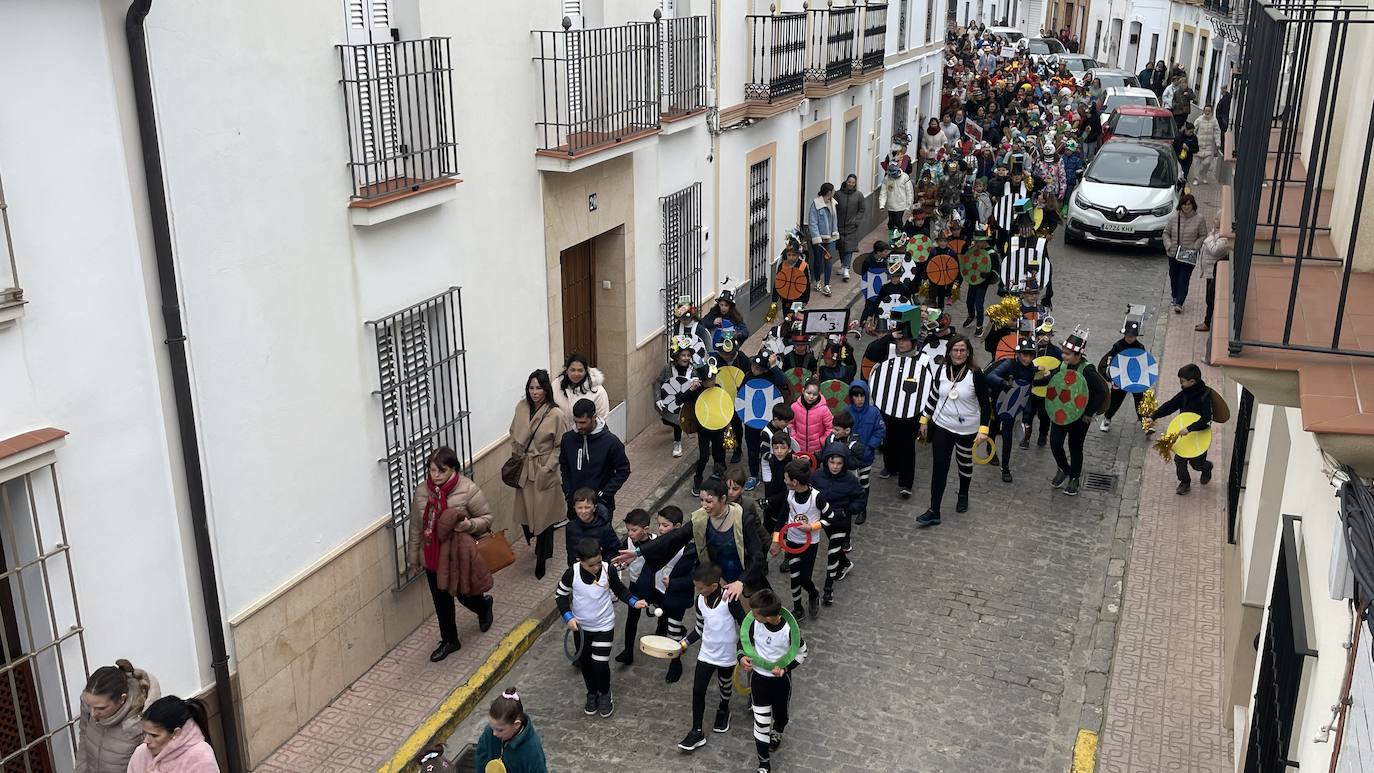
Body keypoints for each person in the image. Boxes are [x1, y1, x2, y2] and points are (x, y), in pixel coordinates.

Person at [406, 447, 495, 662]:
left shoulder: (467, 489)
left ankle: (483, 606)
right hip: (433, 556)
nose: (435, 475)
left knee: (464, 594)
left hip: (458, 555)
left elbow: (487, 517)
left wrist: (469, 525)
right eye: (431, 470)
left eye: (440, 471)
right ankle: (449, 640)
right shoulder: (422, 492)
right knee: (441, 601)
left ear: (453, 469)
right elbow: (416, 527)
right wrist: (414, 556)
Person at [624, 479, 770, 605]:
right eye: (701, 500)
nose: (704, 505)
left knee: (753, 619)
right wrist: (639, 552)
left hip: (745, 580)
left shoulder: (743, 518)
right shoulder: (701, 518)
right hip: (718, 581)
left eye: (709, 501)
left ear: (723, 499)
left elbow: (756, 554)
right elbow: (675, 537)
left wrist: (741, 582)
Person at [557, 537, 649, 718]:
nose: (597, 567)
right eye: (591, 565)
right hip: (581, 630)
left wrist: (634, 601)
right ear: (580, 561)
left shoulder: (609, 570)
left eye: (599, 562)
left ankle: (605, 693)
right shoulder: (571, 573)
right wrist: (568, 617)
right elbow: (560, 596)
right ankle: (592, 693)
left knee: (599, 665)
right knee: (586, 664)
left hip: (604, 626)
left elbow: (620, 590)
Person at [917, 336, 992, 526]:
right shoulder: (941, 370)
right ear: (949, 352)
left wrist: (983, 430)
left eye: (962, 350)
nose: (958, 354)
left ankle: (964, 493)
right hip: (943, 427)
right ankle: (934, 510)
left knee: (964, 465)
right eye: (955, 350)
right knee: (939, 468)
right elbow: (933, 396)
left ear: (968, 353)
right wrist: (924, 419)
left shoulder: (976, 374)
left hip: (967, 430)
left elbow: (985, 404)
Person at [674, 563, 748, 752]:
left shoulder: (729, 599)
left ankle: (724, 709)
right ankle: (696, 730)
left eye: (700, 587)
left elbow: (745, 625)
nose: (697, 590)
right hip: (706, 653)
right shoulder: (700, 601)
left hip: (727, 655)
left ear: (713, 586)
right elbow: (699, 628)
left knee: (725, 685)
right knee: (698, 690)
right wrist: (684, 644)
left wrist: (743, 650)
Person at [741, 588, 808, 773]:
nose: (751, 615)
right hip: (758, 680)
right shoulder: (754, 624)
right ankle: (764, 764)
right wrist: (742, 657)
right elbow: (743, 642)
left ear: (768, 616)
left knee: (781, 717)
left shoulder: (789, 630)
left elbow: (803, 652)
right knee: (761, 723)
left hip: (780, 682)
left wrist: (785, 668)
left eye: (755, 613)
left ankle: (778, 731)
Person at [509, 370, 566, 580]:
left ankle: (542, 558)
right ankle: (535, 541)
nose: (535, 392)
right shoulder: (521, 407)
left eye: (539, 388)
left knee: (544, 517)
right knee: (525, 515)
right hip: (525, 467)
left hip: (543, 469)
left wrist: (547, 467)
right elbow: (513, 432)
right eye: (532, 387)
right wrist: (516, 453)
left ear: (546, 389)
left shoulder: (556, 414)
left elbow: (561, 445)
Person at [1043, 328, 1109, 496]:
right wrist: (1037, 380)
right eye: (1063, 353)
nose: (1063, 356)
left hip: (1079, 418)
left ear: (1078, 355)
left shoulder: (1087, 370)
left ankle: (1074, 477)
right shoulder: (1063, 365)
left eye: (1067, 353)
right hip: (1060, 413)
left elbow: (1101, 392)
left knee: (1075, 447)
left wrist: (1088, 413)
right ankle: (1063, 468)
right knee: (1055, 443)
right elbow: (1054, 380)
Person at [1144, 363, 1216, 495]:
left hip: (1199, 435)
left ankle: (1207, 467)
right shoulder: (1184, 393)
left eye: (1182, 381)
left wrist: (1190, 428)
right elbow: (1171, 405)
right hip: (1183, 434)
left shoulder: (1205, 396)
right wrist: (1153, 417)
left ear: (1192, 381)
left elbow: (1206, 418)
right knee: (1180, 460)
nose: (1180, 384)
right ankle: (1185, 482)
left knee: (1196, 464)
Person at [77, 660, 160, 773]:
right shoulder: (90, 706)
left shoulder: (139, 725)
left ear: (122, 699)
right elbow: (83, 742)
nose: (93, 713)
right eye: (89, 705)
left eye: (101, 708)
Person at [559, 398, 632, 520]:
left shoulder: (611, 442)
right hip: (575, 506)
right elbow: (564, 466)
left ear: (593, 417)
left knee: (601, 539)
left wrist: (603, 494)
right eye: (576, 422)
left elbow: (623, 470)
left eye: (582, 422)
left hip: (601, 506)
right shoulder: (567, 439)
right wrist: (568, 492)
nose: (578, 426)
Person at [776, 459, 830, 620]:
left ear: (795, 482)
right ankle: (798, 608)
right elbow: (781, 517)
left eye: (786, 478)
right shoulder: (790, 494)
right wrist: (776, 539)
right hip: (792, 541)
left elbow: (831, 518)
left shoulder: (817, 498)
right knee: (794, 575)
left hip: (810, 544)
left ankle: (813, 593)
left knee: (804, 577)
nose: (784, 481)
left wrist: (812, 527)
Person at [811, 443, 864, 605]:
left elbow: (861, 499)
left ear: (844, 463)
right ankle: (846, 562)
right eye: (832, 462)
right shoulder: (817, 476)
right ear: (826, 461)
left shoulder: (851, 480)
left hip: (841, 522)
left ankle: (828, 589)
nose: (835, 466)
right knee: (836, 549)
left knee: (832, 552)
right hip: (824, 520)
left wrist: (847, 511)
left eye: (839, 463)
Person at [986, 336, 1039, 483]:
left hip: (1013, 405)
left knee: (1007, 435)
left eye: (1030, 355)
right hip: (998, 401)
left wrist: (1046, 376)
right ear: (1017, 354)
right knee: (995, 427)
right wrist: (1004, 383)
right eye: (1024, 354)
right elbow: (991, 376)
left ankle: (1005, 467)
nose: (1027, 358)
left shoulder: (1031, 369)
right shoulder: (1008, 364)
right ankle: (990, 451)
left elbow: (1032, 384)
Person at [124, 697, 217, 773]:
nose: (146, 741)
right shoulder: (141, 753)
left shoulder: (200, 756)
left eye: (155, 735)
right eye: (145, 733)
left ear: (176, 733)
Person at [614, 508, 658, 667]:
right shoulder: (627, 541)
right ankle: (628, 651)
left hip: (654, 585)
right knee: (631, 619)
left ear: (646, 529)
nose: (630, 533)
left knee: (662, 612)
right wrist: (621, 565)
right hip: (635, 585)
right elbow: (620, 562)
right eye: (628, 530)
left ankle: (661, 637)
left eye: (634, 530)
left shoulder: (657, 542)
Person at [473, 689, 548, 773]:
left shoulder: (532, 751)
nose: (494, 733)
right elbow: (481, 758)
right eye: (492, 727)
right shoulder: (489, 732)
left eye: (500, 730)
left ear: (516, 724)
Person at [1098, 309, 1148, 432]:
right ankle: (1107, 418)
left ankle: (1144, 421)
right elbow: (1113, 362)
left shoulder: (1140, 347)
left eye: (1133, 336)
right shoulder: (1117, 346)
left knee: (1139, 401)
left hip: (1135, 378)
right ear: (1124, 334)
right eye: (1128, 336)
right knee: (1115, 401)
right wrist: (1114, 378)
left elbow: (1143, 363)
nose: (1130, 338)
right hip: (1120, 379)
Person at [1163, 194, 1207, 313]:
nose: (1186, 207)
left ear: (1193, 205)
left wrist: (1195, 246)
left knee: (1184, 278)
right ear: (1181, 205)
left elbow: (1203, 235)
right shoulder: (1174, 218)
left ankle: (1180, 302)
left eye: (1189, 204)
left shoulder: (1199, 219)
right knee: (1174, 277)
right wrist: (1169, 245)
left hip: (1189, 255)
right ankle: (1175, 296)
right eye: (1184, 204)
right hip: (1173, 254)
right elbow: (1166, 233)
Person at [844, 381, 886, 501]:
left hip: (866, 455)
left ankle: (862, 507)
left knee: (863, 480)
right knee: (850, 480)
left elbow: (880, 430)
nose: (859, 399)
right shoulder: (846, 411)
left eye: (862, 396)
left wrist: (871, 446)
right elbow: (840, 429)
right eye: (856, 396)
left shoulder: (874, 412)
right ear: (851, 397)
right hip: (849, 455)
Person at [656, 338, 697, 458]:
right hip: (672, 403)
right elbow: (659, 382)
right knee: (674, 421)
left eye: (688, 355)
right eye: (683, 355)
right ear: (677, 356)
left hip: (688, 402)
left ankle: (677, 441)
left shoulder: (693, 369)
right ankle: (677, 441)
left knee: (679, 422)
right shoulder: (668, 369)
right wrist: (658, 398)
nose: (686, 358)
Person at [552, 353, 610, 430]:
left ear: (586, 371)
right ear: (566, 370)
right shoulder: (556, 385)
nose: (576, 374)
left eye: (580, 370)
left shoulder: (598, 392)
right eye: (572, 370)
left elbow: (602, 419)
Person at [563, 488, 620, 567]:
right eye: (580, 508)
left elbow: (613, 550)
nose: (583, 511)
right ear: (574, 508)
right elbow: (570, 551)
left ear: (594, 507)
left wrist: (599, 564)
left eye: (587, 507)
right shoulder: (570, 527)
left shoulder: (604, 527)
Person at [1196, 215, 1231, 333]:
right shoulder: (1215, 232)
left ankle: (1208, 322)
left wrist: (1208, 239)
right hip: (1209, 271)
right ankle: (1207, 321)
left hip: (1214, 271)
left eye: (1216, 219)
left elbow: (1215, 250)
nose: (1213, 220)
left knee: (1211, 298)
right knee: (1209, 298)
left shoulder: (1224, 237)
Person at [806, 182, 840, 296]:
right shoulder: (816, 205)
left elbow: (834, 220)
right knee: (817, 261)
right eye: (833, 191)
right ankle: (818, 282)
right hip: (819, 239)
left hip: (830, 238)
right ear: (829, 192)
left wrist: (835, 232)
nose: (834, 192)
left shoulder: (833, 203)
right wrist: (817, 238)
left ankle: (826, 284)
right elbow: (812, 222)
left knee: (828, 260)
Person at [789, 379, 834, 458]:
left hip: (817, 452)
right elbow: (790, 424)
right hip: (798, 449)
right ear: (803, 391)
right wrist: (794, 437)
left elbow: (830, 428)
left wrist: (822, 441)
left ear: (819, 393)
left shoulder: (824, 410)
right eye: (808, 393)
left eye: (815, 394)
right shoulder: (794, 407)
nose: (811, 397)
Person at [834, 174, 866, 282]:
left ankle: (846, 269)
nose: (851, 184)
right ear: (846, 181)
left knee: (849, 248)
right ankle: (843, 265)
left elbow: (862, 209)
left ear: (855, 183)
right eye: (849, 182)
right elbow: (834, 208)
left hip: (851, 226)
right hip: (839, 226)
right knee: (841, 247)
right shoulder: (838, 194)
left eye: (853, 182)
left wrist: (856, 221)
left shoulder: (859, 195)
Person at [879, 165, 915, 232]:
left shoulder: (905, 178)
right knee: (891, 224)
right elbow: (883, 192)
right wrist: (882, 204)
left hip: (902, 206)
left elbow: (909, 193)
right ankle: (891, 239)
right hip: (891, 206)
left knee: (899, 224)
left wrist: (908, 206)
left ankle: (900, 238)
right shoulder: (887, 179)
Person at [1215, 85, 1232, 155]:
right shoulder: (1224, 97)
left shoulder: (1227, 97)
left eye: (1222, 89)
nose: (1221, 91)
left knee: (1223, 133)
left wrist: (1221, 117)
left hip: (1223, 119)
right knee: (1222, 133)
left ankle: (1223, 149)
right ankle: (1222, 148)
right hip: (1222, 118)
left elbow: (1224, 108)